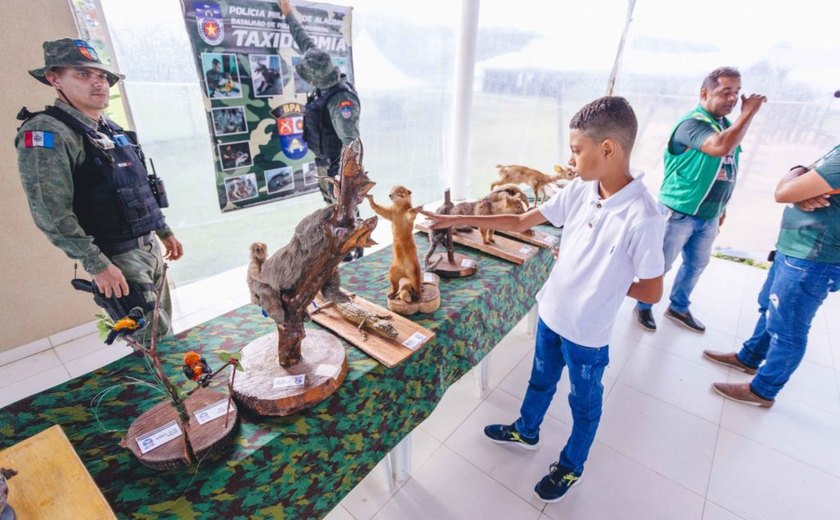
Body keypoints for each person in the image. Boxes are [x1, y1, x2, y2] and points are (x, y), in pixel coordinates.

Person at [422, 97, 665, 503]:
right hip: (552, 313)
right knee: (540, 379)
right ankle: (527, 429)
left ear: (607, 148)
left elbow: (652, 291)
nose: (571, 161)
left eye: (576, 150)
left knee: (584, 405)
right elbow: (519, 221)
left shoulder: (644, 218)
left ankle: (571, 465)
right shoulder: (581, 190)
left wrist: (608, 282)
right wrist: (454, 220)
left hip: (587, 335)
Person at [16, 38, 183, 343]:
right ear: (55, 78)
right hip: (116, 257)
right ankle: (165, 392)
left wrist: (163, 230)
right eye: (83, 74)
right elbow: (50, 212)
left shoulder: (111, 129)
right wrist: (98, 265)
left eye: (102, 75)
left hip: (149, 250)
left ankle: (184, 391)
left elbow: (138, 185)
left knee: (165, 334)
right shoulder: (47, 132)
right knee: (151, 344)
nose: (98, 82)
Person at [703, 123, 840, 407]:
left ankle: (763, 390)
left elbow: (782, 193)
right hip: (797, 249)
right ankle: (749, 357)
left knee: (787, 328)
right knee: (770, 306)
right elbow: (795, 182)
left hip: (813, 258)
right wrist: (798, 177)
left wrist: (795, 185)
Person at [633, 67, 766, 333]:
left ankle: (678, 307)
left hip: (709, 215)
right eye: (726, 91)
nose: (733, 98)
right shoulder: (691, 124)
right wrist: (748, 113)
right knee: (661, 263)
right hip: (679, 211)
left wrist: (722, 208)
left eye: (737, 92)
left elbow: (728, 168)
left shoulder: (726, 126)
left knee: (697, 264)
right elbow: (720, 148)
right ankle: (644, 304)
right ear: (704, 93)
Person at [278, 0, 362, 260]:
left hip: (337, 166)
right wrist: (289, 14)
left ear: (317, 78)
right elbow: (305, 42)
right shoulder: (321, 63)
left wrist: (343, 182)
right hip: (325, 160)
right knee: (332, 210)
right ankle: (344, 249)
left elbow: (351, 143)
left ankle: (352, 254)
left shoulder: (340, 101)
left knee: (343, 211)